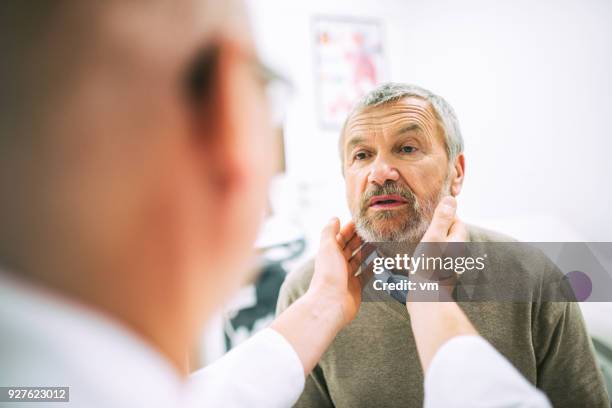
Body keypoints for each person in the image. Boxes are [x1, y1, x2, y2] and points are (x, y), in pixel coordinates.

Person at [277, 82, 610, 407]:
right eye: (362, 155)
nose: (379, 173)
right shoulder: (307, 294)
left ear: (457, 172)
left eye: (407, 148)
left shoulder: (535, 277)